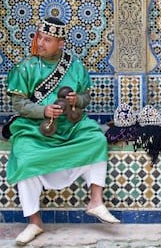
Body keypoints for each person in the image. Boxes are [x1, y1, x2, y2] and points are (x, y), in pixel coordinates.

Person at [5, 17, 120, 246]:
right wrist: (43, 110)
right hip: (34, 127)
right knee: (24, 155)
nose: (41, 44)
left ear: (60, 43)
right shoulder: (27, 66)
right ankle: (34, 221)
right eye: (39, 38)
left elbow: (86, 97)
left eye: (47, 40)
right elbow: (18, 104)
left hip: (71, 125)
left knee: (97, 139)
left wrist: (78, 99)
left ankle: (95, 201)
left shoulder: (74, 65)